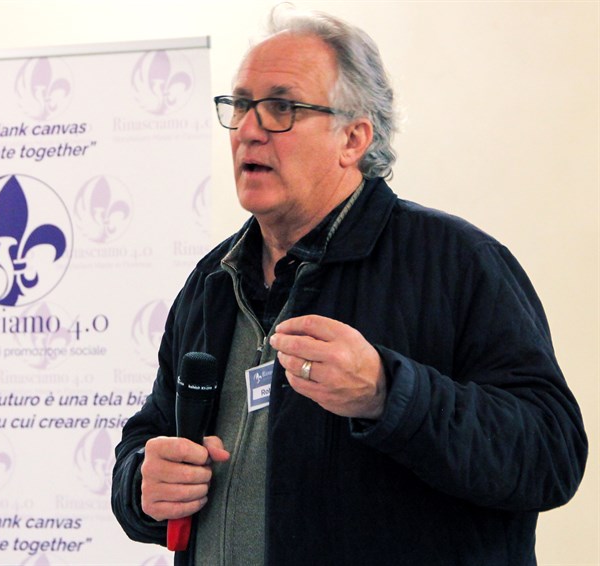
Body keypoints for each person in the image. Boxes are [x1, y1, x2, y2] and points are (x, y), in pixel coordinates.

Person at [111, 7, 587, 565]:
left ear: (353, 138)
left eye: (282, 108)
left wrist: (388, 393)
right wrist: (142, 485)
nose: (248, 131)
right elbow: (148, 437)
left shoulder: (457, 262)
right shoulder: (213, 281)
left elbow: (550, 454)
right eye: (240, 106)